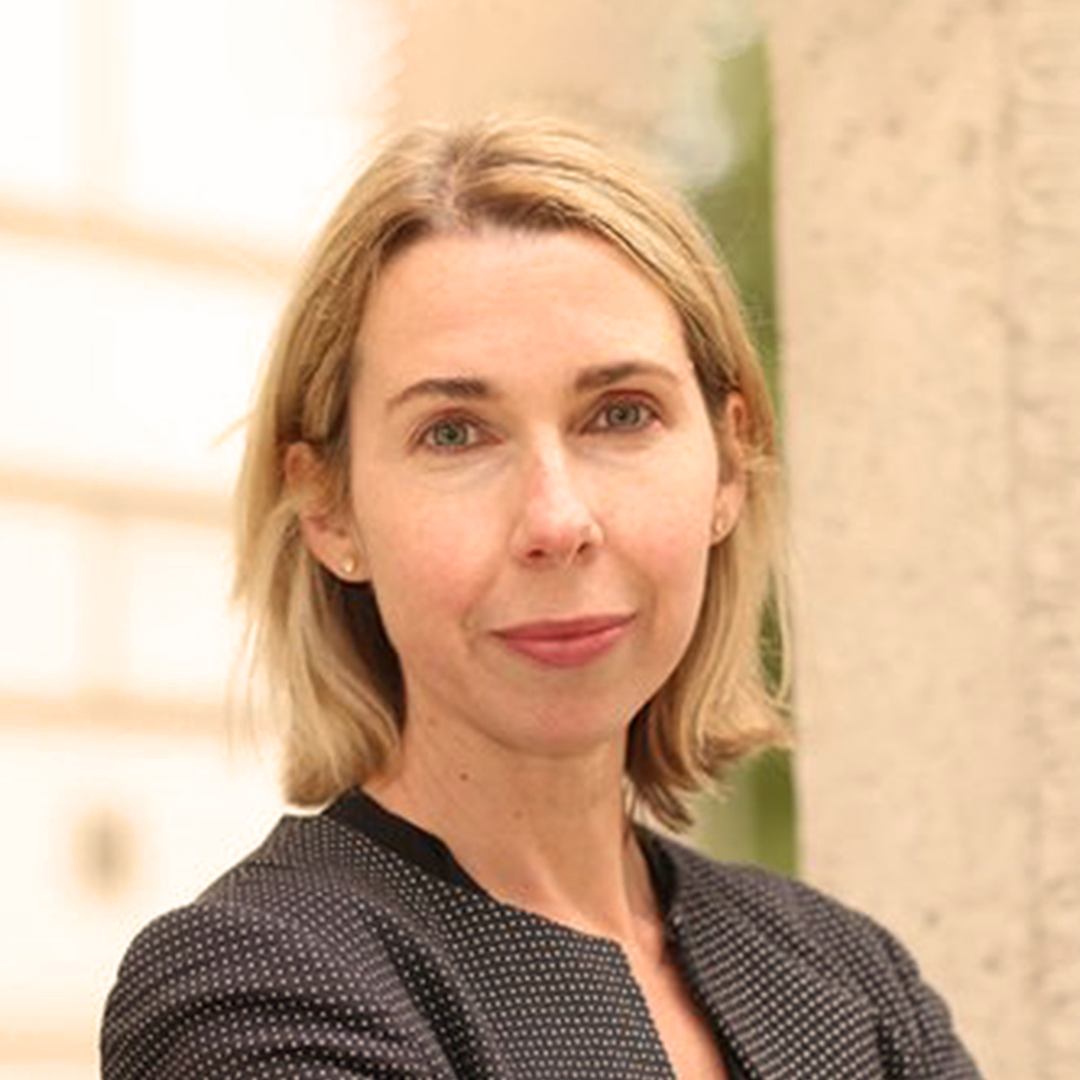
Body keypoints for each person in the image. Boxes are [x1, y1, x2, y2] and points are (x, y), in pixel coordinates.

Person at [100, 117, 982, 1079]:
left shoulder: (851, 981)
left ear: (728, 463)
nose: (557, 521)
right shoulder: (250, 988)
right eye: (455, 434)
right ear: (331, 510)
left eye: (620, 414)